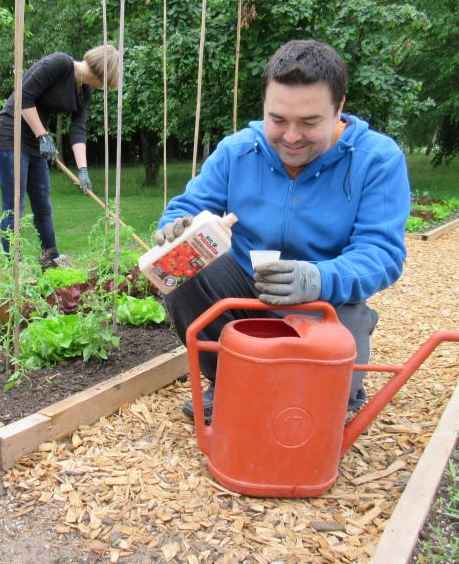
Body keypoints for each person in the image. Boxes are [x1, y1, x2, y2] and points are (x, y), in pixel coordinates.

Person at [153, 39, 411, 420]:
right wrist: (174, 231)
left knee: (319, 409)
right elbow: (188, 208)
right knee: (181, 269)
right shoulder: (238, 150)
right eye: (278, 120)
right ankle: (227, 381)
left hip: (326, 302)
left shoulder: (377, 160)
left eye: (309, 122)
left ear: (339, 108)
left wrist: (317, 279)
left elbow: (382, 253)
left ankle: (343, 367)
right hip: (246, 289)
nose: (291, 136)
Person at [0, 45, 120, 268]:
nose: (105, 87)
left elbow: (78, 129)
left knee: (43, 207)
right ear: (102, 74)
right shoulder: (59, 63)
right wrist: (43, 135)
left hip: (37, 143)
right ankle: (13, 267)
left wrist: (83, 170)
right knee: (14, 206)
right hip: (10, 136)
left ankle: (51, 259)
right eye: (107, 82)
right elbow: (23, 97)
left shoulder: (84, 91)